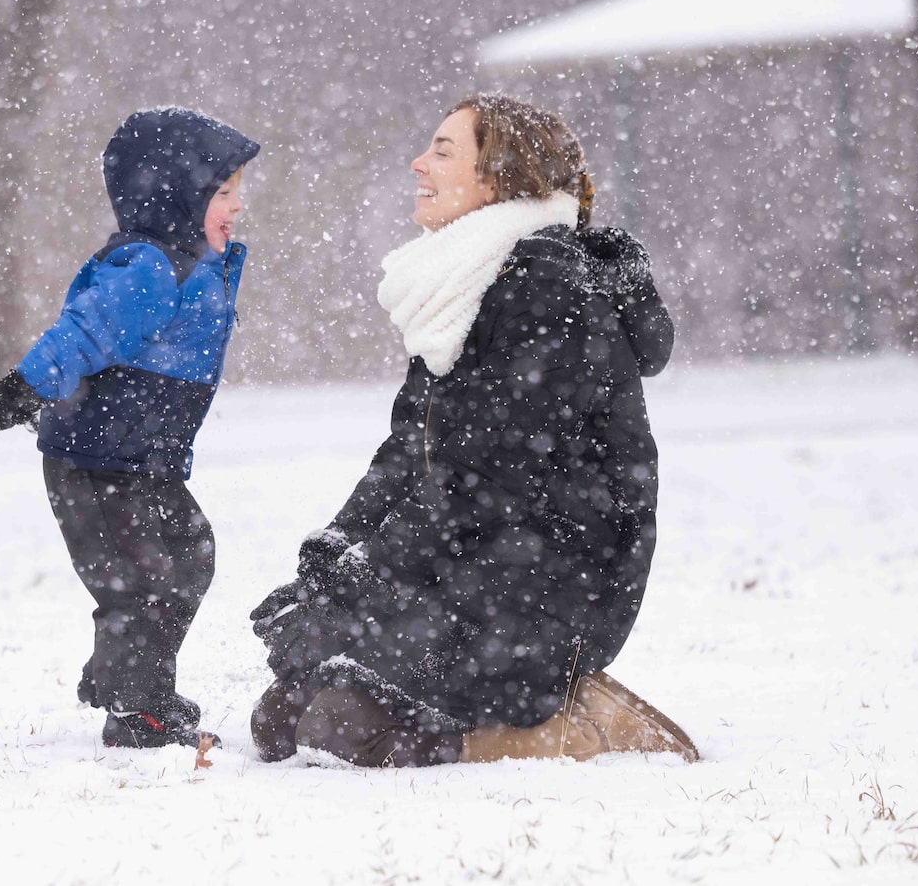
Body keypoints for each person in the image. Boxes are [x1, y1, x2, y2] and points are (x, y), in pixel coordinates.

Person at [249, 94, 697, 767]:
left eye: (442, 151)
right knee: (280, 720)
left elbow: (489, 484)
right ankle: (513, 705)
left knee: (340, 729)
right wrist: (332, 555)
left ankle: (579, 725)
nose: (418, 163)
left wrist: (359, 582)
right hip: (469, 569)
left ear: (498, 179)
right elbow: (408, 452)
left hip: (542, 592)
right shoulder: (466, 285)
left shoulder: (547, 292)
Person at [0, 108, 259, 750]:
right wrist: (10, 397)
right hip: (95, 462)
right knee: (144, 579)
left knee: (189, 558)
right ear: (178, 193)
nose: (238, 205)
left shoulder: (193, 266)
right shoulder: (148, 268)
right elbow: (78, 338)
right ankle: (137, 708)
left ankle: (129, 679)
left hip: (145, 459)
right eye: (224, 191)